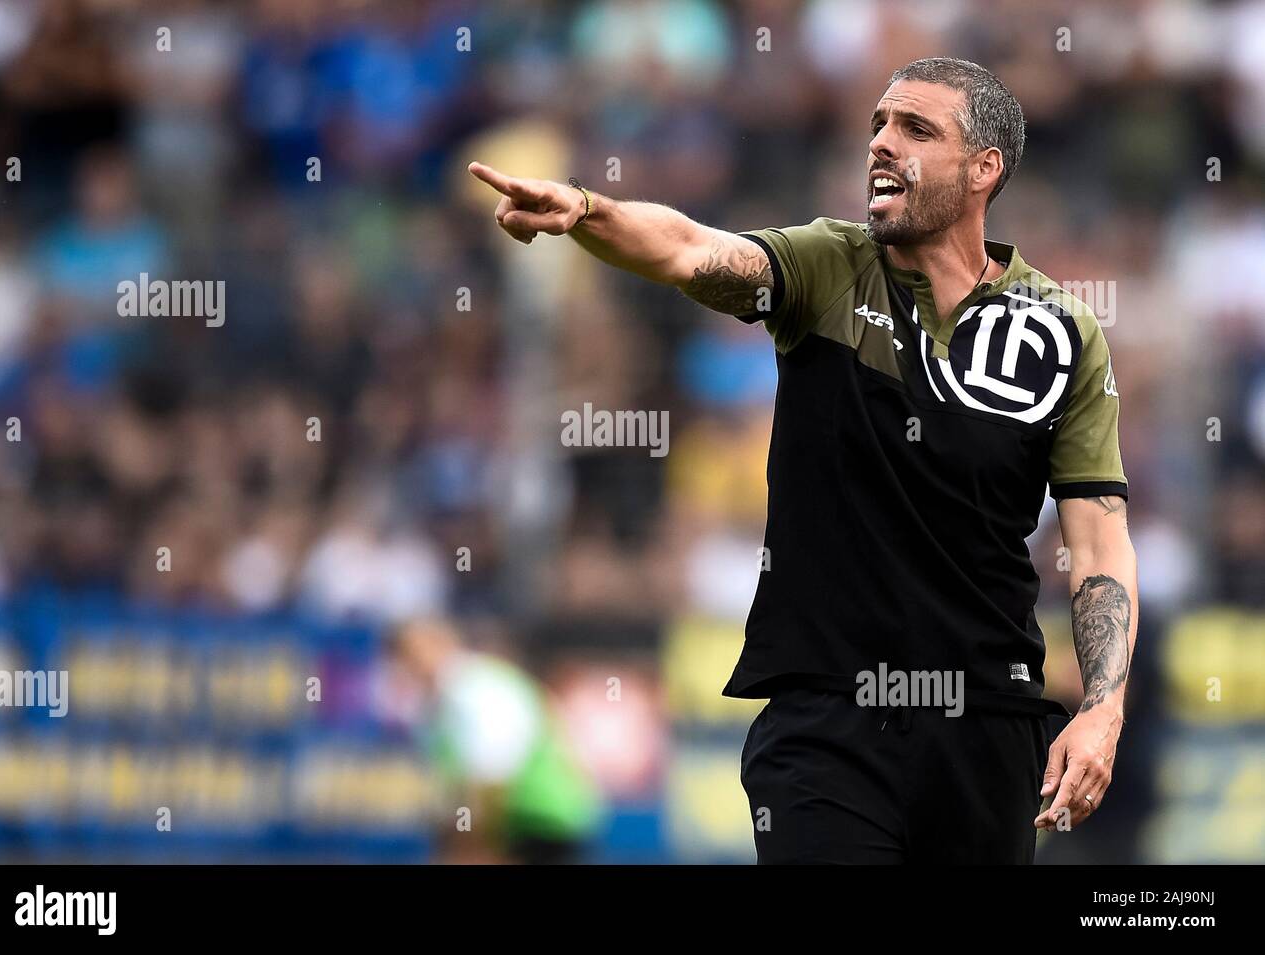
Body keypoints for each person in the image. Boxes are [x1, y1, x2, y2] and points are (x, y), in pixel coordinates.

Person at [468, 57, 1137, 864]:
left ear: (982, 170)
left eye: (916, 129)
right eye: (878, 126)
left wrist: (1102, 707)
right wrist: (585, 209)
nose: (882, 145)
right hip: (827, 724)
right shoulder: (827, 267)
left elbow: (1098, 542)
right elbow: (687, 250)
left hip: (988, 727)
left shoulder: (1061, 331)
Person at [391, 617, 603, 864]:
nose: (410, 666)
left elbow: (492, 781)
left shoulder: (477, 688)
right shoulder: (435, 706)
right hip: (515, 826)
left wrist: (473, 850)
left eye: (415, 652)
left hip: (541, 822)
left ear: (442, 644)